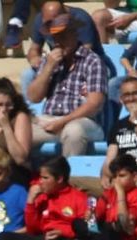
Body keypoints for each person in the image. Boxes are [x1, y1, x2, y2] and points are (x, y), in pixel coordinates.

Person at [27, 13, 109, 157]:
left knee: (73, 131)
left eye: (63, 36)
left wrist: (63, 122)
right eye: (55, 37)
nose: (58, 41)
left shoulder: (92, 61)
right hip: (49, 119)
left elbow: (94, 104)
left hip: (84, 121)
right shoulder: (49, 61)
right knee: (19, 129)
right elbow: (33, 97)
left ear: (74, 34)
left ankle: (68, 177)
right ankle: (22, 175)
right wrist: (48, 69)